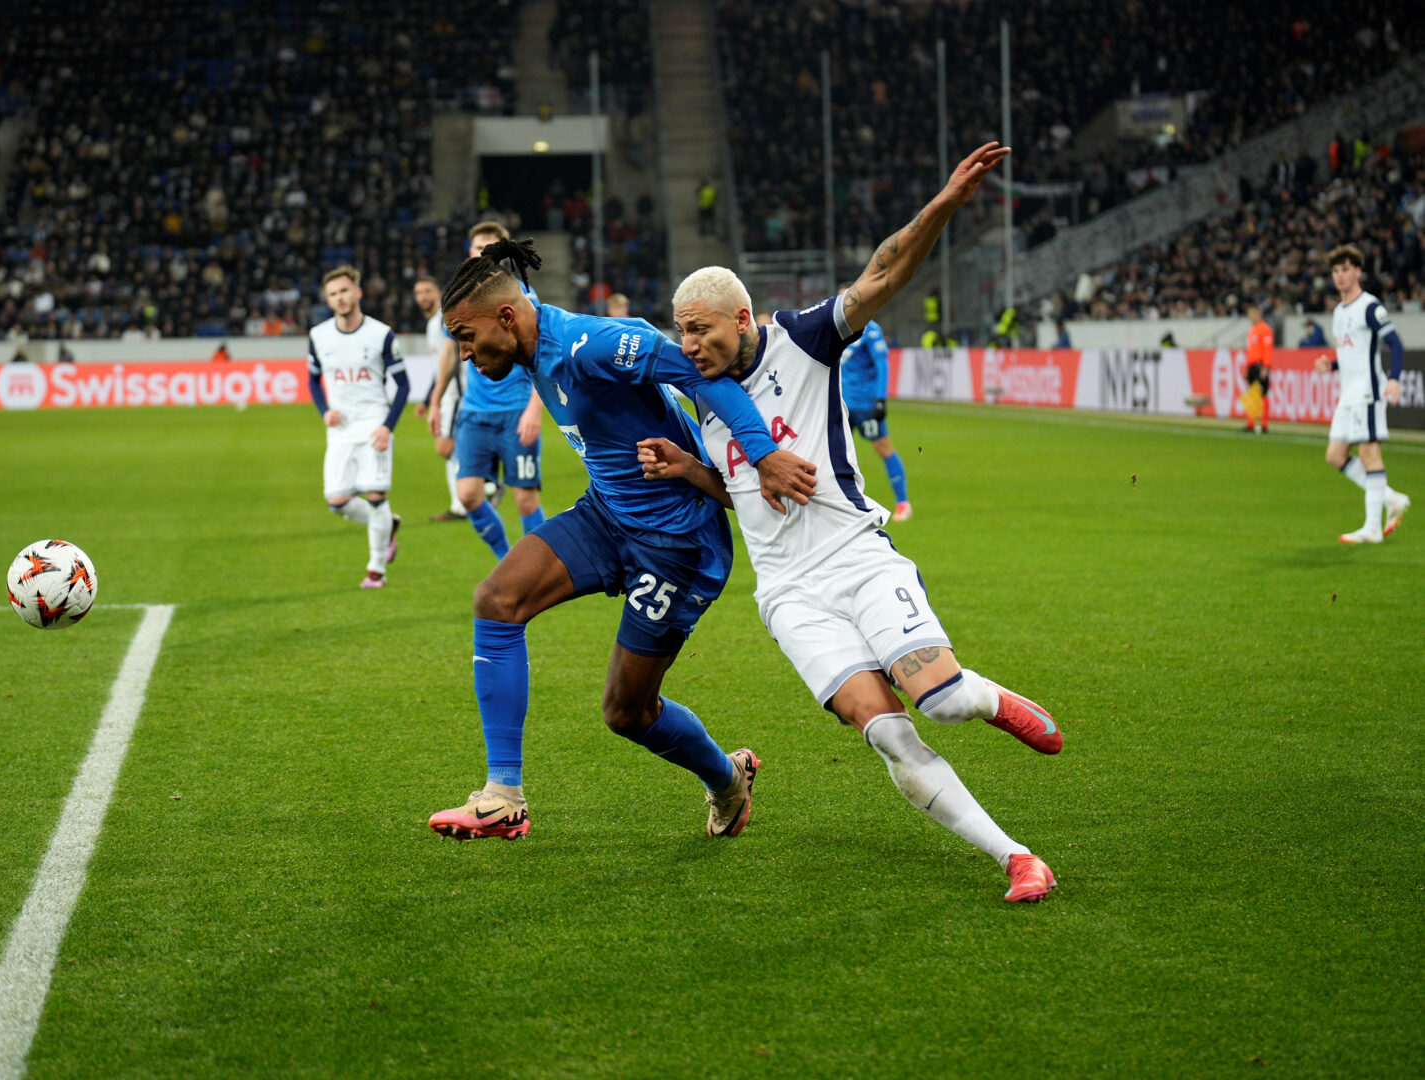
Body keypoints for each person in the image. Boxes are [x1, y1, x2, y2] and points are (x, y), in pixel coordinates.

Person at [638, 143, 1063, 903]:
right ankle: (1017, 858)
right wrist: (691, 471)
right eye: (681, 332)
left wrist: (943, 205)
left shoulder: (805, 340)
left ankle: (993, 700)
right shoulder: (699, 392)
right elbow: (741, 494)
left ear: (742, 317)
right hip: (788, 595)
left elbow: (883, 273)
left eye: (701, 330)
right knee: (888, 733)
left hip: (857, 558)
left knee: (943, 701)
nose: (690, 346)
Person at [427, 237, 819, 842]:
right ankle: (503, 796)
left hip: (678, 542)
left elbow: (698, 376)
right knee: (496, 600)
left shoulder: (593, 344)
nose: (464, 351)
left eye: (465, 335)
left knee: (627, 712)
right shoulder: (526, 342)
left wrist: (762, 454)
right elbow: (521, 302)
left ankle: (727, 778)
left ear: (505, 317)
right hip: (607, 515)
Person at [428, 222, 547, 558]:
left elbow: (543, 356)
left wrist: (534, 409)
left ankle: (537, 567)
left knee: (525, 499)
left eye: (491, 246)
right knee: (467, 495)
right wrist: (436, 401)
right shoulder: (459, 298)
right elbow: (450, 352)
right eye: (478, 246)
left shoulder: (523, 297)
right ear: (469, 252)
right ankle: (507, 562)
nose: (484, 252)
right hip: (474, 412)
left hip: (516, 412)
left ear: (503, 252)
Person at [306, 266, 408, 587]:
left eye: (345, 291)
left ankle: (376, 571)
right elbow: (313, 379)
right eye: (333, 294)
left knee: (375, 495)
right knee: (336, 501)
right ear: (327, 299)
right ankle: (388, 523)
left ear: (358, 292)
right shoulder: (318, 336)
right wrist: (324, 411)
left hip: (374, 424)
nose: (340, 298)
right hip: (340, 429)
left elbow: (403, 385)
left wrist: (387, 426)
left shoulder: (381, 334)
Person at [1313, 245, 1411, 543]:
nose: (1340, 276)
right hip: (1348, 394)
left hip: (1368, 392)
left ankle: (1372, 528)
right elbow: (1351, 355)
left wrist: (1394, 379)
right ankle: (1391, 498)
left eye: (1346, 269)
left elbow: (1395, 344)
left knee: (1370, 454)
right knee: (1335, 455)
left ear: (1358, 271)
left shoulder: (1370, 307)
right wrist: (1330, 365)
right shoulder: (1339, 312)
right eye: (1336, 271)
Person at [839, 317, 911, 521]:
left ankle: (903, 503)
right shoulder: (838, 327)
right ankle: (843, 506)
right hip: (841, 404)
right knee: (837, 453)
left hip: (866, 403)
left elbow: (882, 364)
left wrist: (881, 398)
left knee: (883, 447)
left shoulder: (870, 331)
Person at [411, 275, 469, 521]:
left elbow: (452, 363)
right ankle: (465, 501)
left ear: (438, 293)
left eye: (427, 291)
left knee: (446, 447)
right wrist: (427, 400)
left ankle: (478, 492)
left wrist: (447, 398)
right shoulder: (432, 324)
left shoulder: (443, 321)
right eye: (418, 293)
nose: (423, 297)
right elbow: (439, 368)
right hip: (447, 394)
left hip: (455, 393)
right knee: (455, 448)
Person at [1241, 306, 1272, 433]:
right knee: (1252, 395)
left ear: (1258, 315)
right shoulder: (1252, 330)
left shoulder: (1265, 329)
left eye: (1252, 315)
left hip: (1260, 365)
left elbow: (1268, 349)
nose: (1250, 318)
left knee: (1263, 394)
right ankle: (1250, 423)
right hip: (1252, 366)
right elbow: (1251, 351)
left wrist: (1266, 366)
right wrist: (1247, 367)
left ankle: (1264, 424)